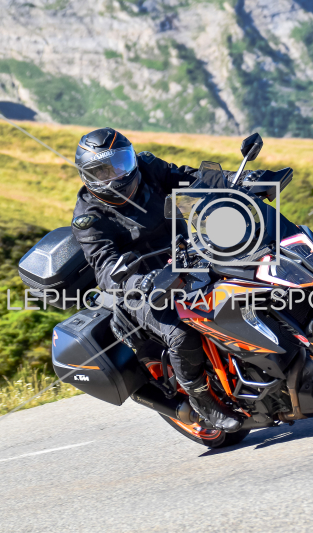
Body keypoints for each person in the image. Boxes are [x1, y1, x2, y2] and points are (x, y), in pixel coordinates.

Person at [70, 128, 242, 432]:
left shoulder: (147, 167)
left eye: (120, 164)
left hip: (187, 257)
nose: (115, 176)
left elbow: (190, 178)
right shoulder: (89, 218)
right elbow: (105, 268)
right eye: (103, 171)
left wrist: (242, 180)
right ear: (88, 176)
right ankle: (201, 399)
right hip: (141, 289)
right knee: (182, 333)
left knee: (247, 278)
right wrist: (139, 283)